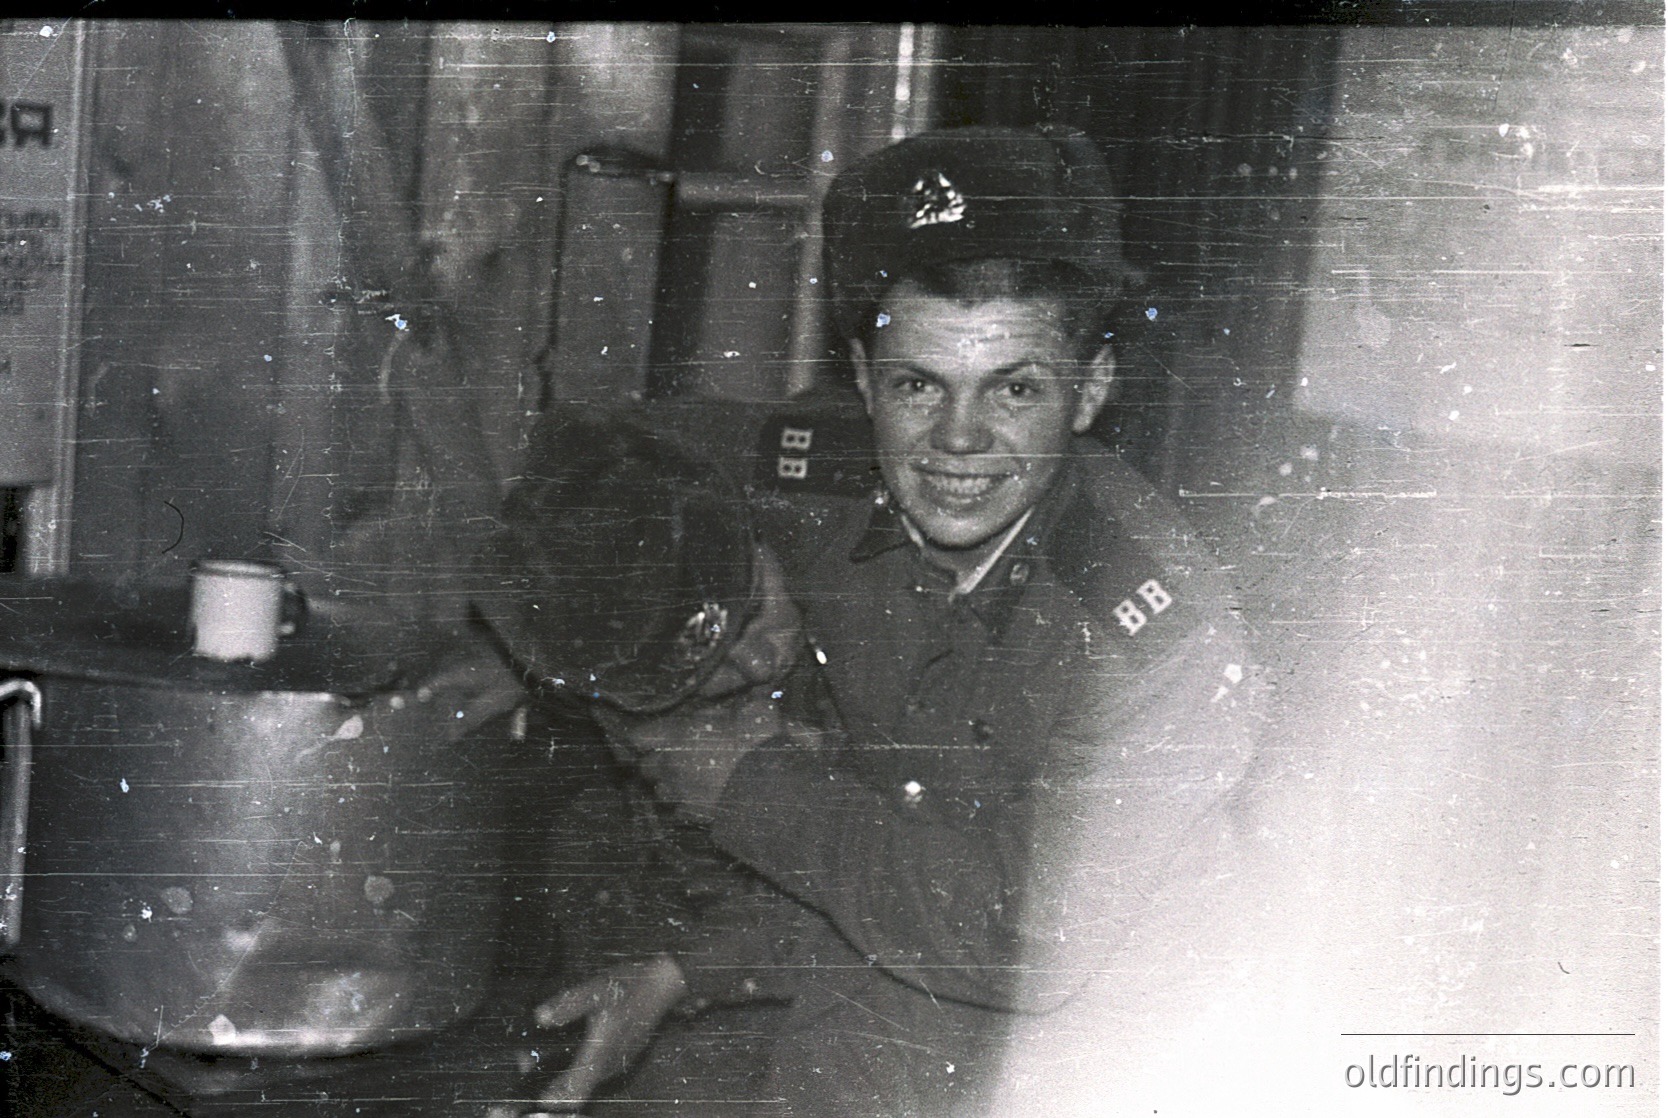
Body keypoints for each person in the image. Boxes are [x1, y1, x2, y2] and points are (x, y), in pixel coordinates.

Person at [533, 125, 1262, 1116]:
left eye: (1014, 387)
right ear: (864, 378)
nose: (958, 440)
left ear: (1090, 390)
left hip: (1113, 1049)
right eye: (918, 384)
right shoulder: (816, 472)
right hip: (881, 981)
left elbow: (1017, 938)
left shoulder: (1152, 638)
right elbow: (587, 479)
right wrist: (674, 969)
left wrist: (745, 781)